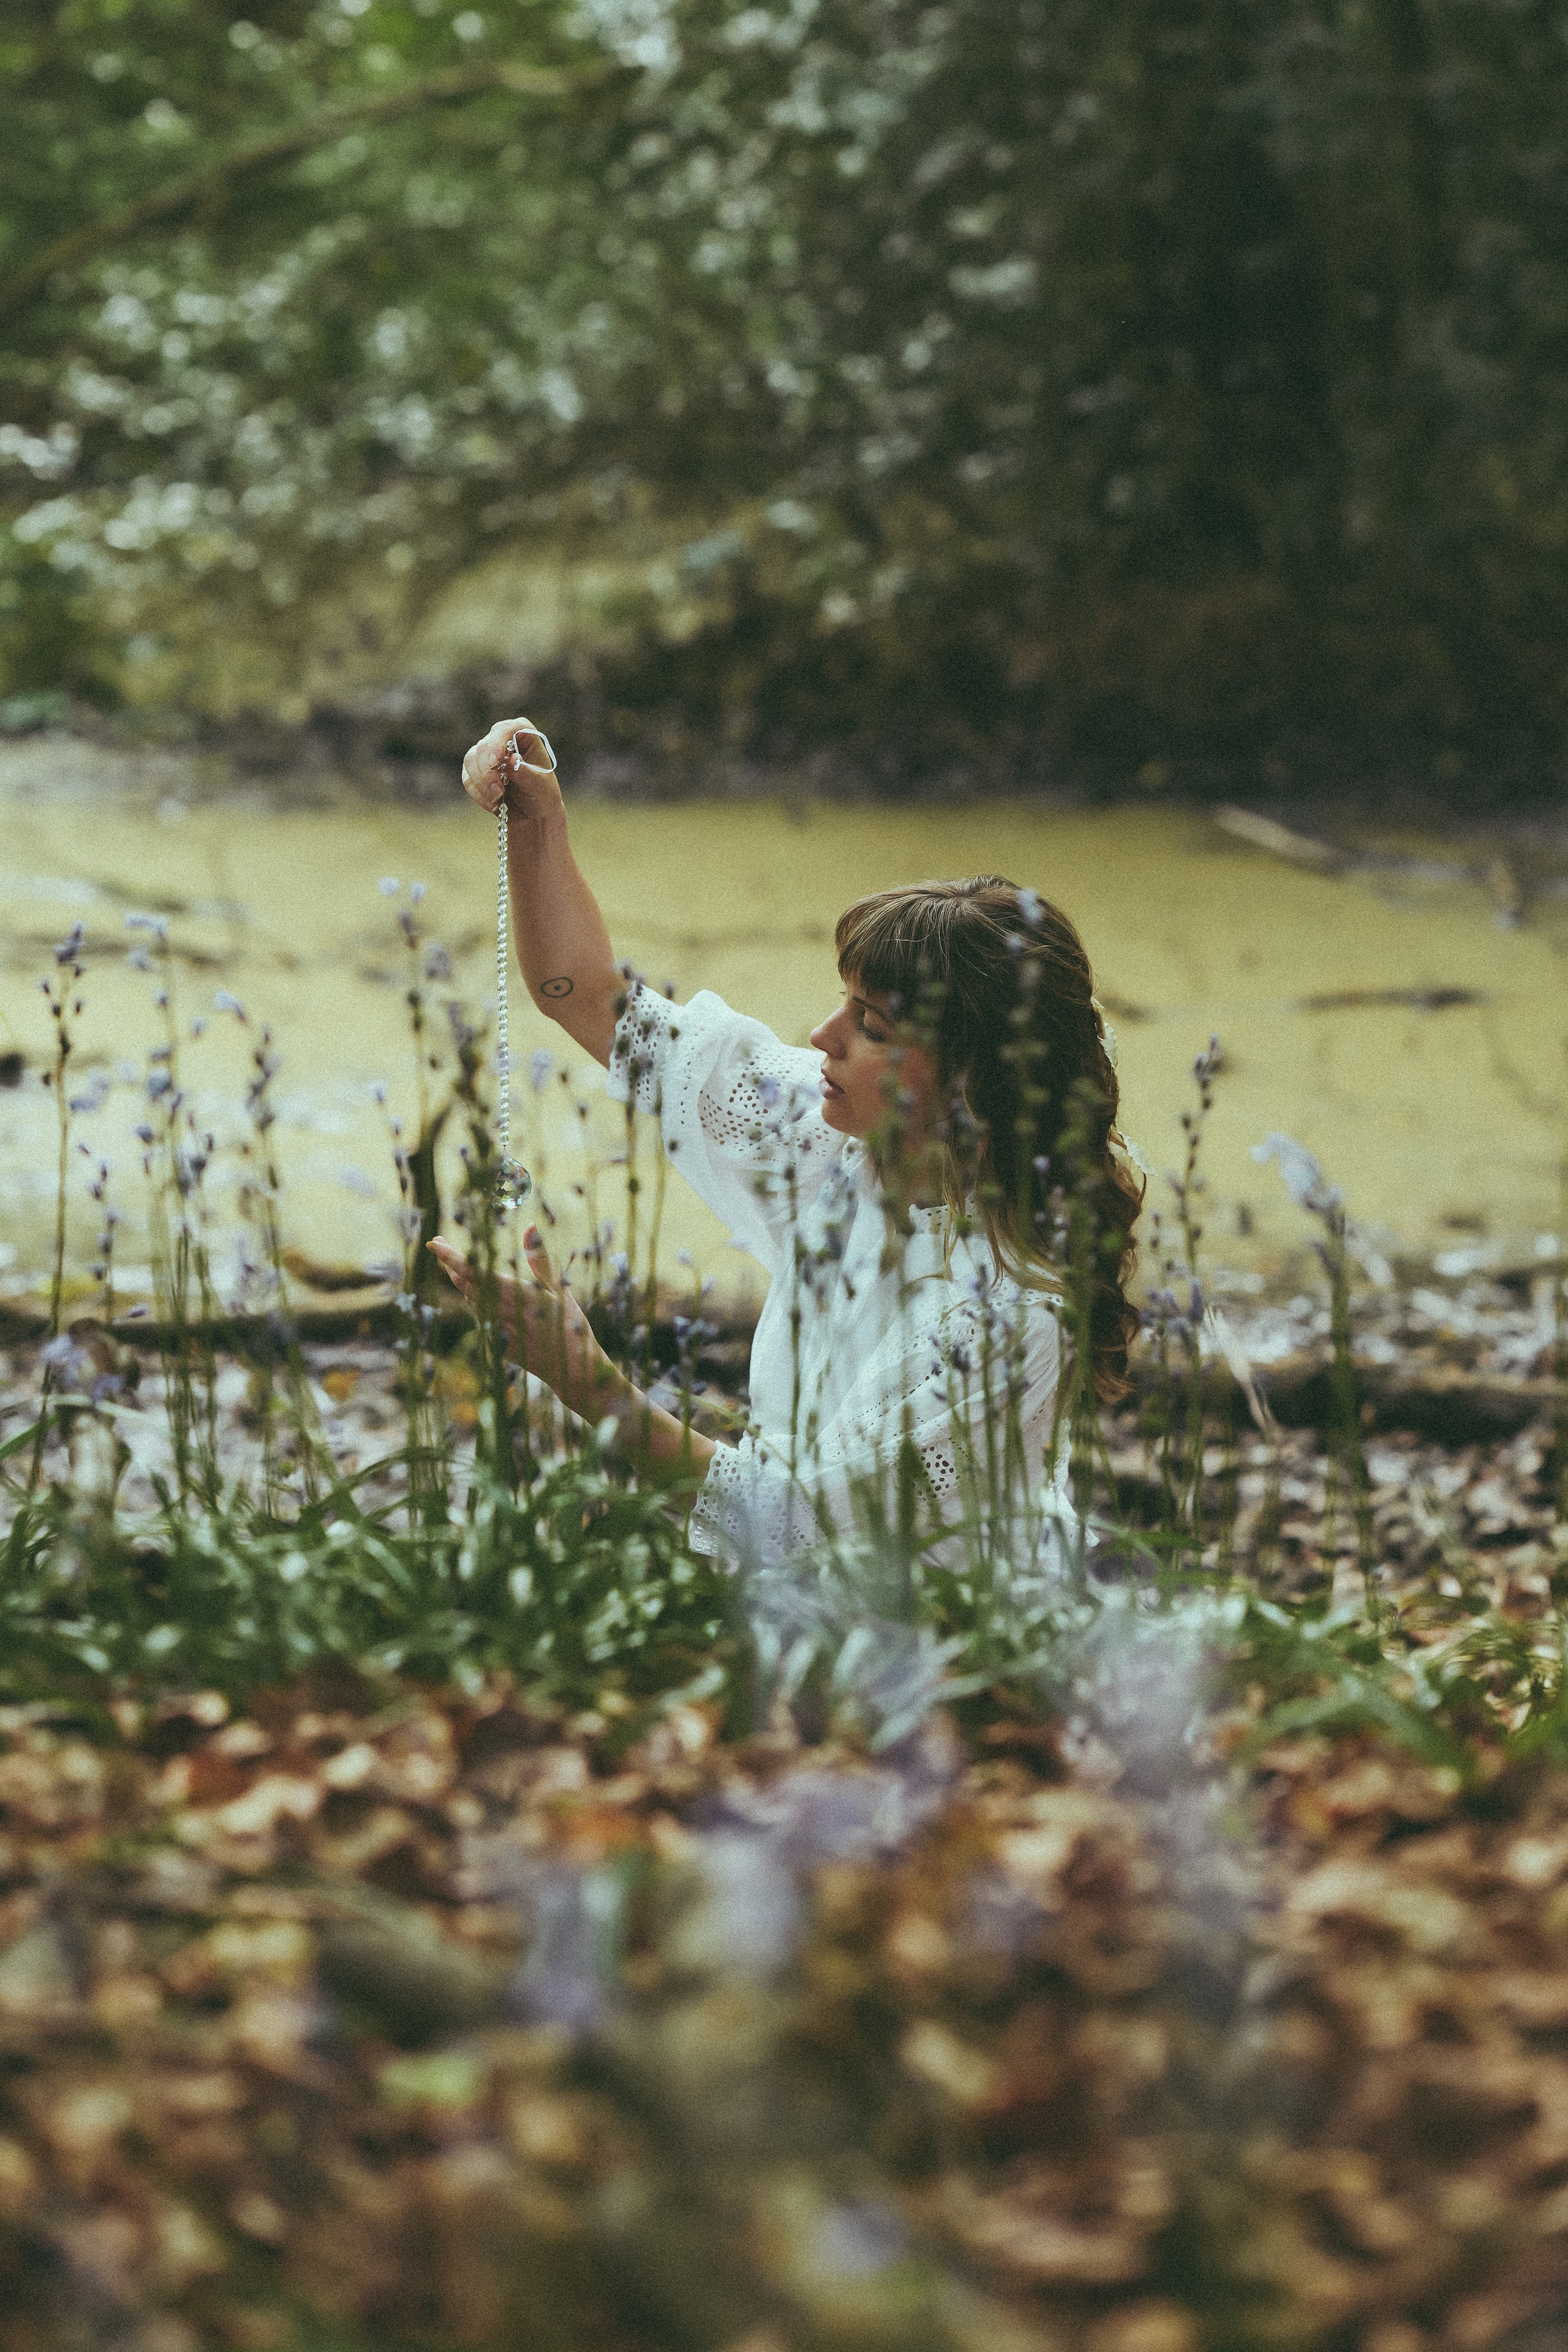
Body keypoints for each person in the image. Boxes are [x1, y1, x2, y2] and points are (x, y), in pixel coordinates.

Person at [430, 718, 1144, 1574]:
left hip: (960, 1655)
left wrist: (587, 1381)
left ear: (969, 1082)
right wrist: (537, 821)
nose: (823, 1035)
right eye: (844, 1004)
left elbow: (803, 1528)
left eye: (870, 1026)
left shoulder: (1017, 1310)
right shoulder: (825, 1132)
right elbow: (585, 995)